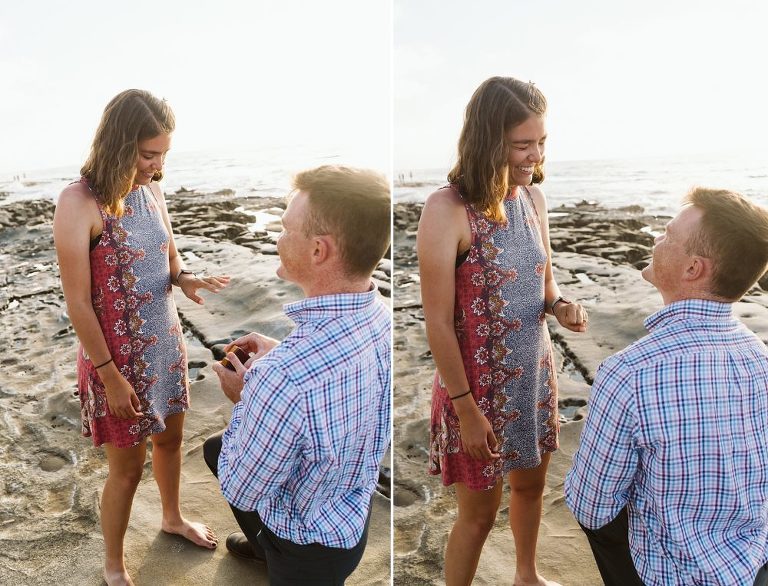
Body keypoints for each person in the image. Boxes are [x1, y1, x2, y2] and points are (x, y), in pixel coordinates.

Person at [53, 89, 230, 586]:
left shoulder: (152, 191)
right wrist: (108, 377)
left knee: (171, 442)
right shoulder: (78, 202)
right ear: (117, 144)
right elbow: (79, 303)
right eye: (148, 154)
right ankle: (113, 564)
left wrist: (187, 279)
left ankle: (172, 518)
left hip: (164, 343)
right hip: (114, 358)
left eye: (163, 155)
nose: (157, 166)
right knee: (127, 470)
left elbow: (169, 263)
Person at [417, 76, 588, 586]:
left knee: (531, 489)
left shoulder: (533, 201)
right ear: (489, 140)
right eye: (522, 144)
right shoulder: (445, 209)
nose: (533, 155)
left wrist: (562, 307)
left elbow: (546, 285)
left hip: (532, 376)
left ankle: (526, 577)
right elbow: (438, 324)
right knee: (478, 515)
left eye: (540, 142)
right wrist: (466, 410)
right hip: (476, 390)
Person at [565, 188, 768, 585]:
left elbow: (590, 507)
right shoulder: (759, 355)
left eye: (667, 234)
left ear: (694, 268)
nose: (656, 238)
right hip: (751, 561)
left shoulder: (629, 374)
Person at [203, 165, 391, 585]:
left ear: (318, 250)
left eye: (286, 228)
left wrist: (248, 400)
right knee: (217, 449)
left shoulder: (281, 378)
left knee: (228, 460)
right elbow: (332, 370)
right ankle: (262, 545)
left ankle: (273, 548)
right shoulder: (380, 316)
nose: (277, 237)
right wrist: (279, 352)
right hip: (351, 514)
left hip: (308, 550)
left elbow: (242, 489)